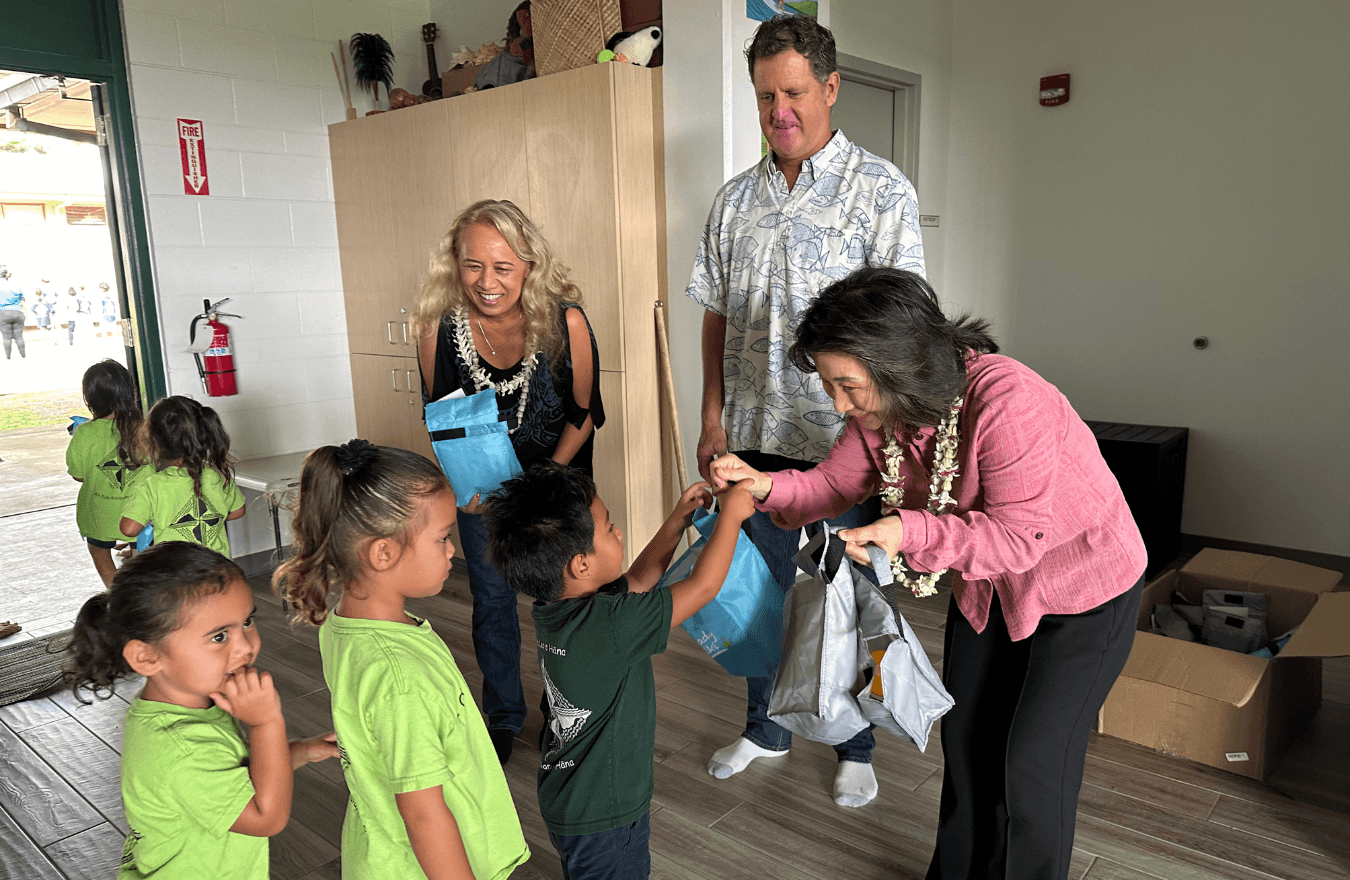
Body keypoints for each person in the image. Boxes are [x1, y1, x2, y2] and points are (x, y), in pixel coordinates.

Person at [709, 267, 1148, 880]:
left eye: (848, 386)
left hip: (1083, 591)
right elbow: (834, 483)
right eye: (832, 385)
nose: (839, 404)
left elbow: (1019, 537)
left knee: (1033, 766)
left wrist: (906, 531)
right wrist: (765, 485)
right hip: (988, 587)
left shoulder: (1007, 400)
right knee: (966, 747)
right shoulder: (882, 411)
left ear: (898, 364)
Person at [684, 13, 925, 806]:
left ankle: (855, 740)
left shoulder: (882, 191)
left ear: (830, 87)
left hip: (841, 446)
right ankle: (768, 725)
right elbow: (715, 312)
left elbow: (903, 326)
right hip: (751, 440)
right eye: (763, 97)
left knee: (844, 600)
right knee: (758, 597)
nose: (778, 112)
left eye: (792, 93)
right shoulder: (732, 203)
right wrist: (712, 414)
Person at [481, 463, 755, 879]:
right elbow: (702, 587)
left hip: (570, 798)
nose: (620, 533)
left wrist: (677, 522)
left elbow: (638, 581)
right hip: (606, 812)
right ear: (580, 565)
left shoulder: (560, 608)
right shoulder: (609, 624)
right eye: (609, 529)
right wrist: (732, 516)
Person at [272, 440, 530, 880]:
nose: (452, 551)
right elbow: (424, 815)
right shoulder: (397, 676)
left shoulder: (345, 624)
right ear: (383, 553)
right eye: (442, 538)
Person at [413, 198, 604, 764]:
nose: (487, 282)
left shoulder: (565, 321)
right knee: (492, 604)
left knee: (561, 602)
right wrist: (468, 485)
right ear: (455, 263)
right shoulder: (437, 328)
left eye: (503, 267)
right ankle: (501, 715)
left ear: (529, 265)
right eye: (474, 266)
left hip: (555, 487)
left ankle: (565, 714)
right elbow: (440, 419)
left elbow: (584, 413)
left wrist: (539, 487)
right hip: (482, 497)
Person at [65, 542, 338, 879]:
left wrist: (303, 751)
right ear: (148, 657)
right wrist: (266, 723)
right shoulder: (178, 748)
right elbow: (265, 818)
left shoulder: (189, 704)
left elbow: (236, 773)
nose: (246, 647)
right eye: (220, 636)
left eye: (247, 622)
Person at [121, 395, 245, 556]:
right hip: (219, 568)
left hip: (177, 572)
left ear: (154, 440)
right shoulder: (217, 475)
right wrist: (210, 518)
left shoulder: (152, 486)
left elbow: (129, 529)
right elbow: (238, 511)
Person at [68, 360, 145, 585]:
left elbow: (78, 474)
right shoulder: (147, 428)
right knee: (141, 547)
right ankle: (142, 594)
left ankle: (116, 593)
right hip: (140, 512)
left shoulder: (84, 434)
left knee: (99, 550)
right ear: (131, 393)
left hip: (100, 513)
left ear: (89, 398)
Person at [0, 265, 26, 359]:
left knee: (6, 338)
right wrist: (26, 312)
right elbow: (22, 299)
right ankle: (23, 356)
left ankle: (8, 357)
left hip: (3, 313)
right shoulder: (15, 285)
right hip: (17, 312)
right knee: (19, 336)